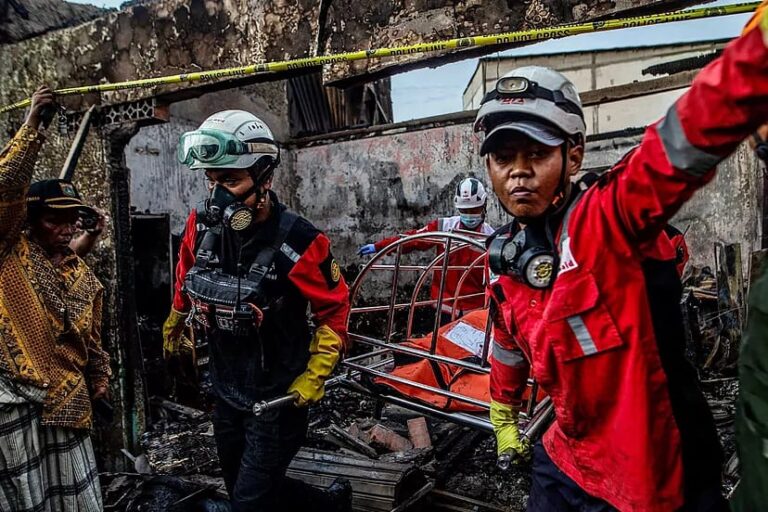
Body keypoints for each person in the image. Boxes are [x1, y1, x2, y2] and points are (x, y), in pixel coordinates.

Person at [481, 9, 768, 511]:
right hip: (567, 452)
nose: (519, 173)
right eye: (505, 158)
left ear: (573, 155)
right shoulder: (508, 259)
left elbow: (675, 148)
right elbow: (507, 342)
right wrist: (503, 412)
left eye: (537, 154)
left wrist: (756, 57)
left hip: (643, 467)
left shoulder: (606, 221)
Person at [162, 110, 352, 512]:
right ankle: (331, 505)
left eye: (230, 181)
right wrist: (175, 323)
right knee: (243, 491)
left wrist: (316, 373)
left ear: (265, 178)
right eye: (212, 181)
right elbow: (185, 276)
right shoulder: (200, 226)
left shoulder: (300, 241)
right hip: (227, 388)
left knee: (249, 502)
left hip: (279, 397)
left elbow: (334, 308)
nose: (218, 198)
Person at [0, 86, 111, 511]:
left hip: (67, 406)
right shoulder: (10, 252)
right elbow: (5, 189)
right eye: (53, 220)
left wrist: (100, 383)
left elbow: (92, 342)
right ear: (28, 221)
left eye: (71, 221)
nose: (64, 229)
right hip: (12, 404)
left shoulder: (84, 278)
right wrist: (32, 127)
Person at [359, 177, 495, 322]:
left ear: (484, 205)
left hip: (474, 311)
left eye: (474, 210)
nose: (469, 215)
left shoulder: (491, 238)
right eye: (464, 210)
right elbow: (413, 240)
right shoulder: (444, 227)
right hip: (443, 308)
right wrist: (380, 246)